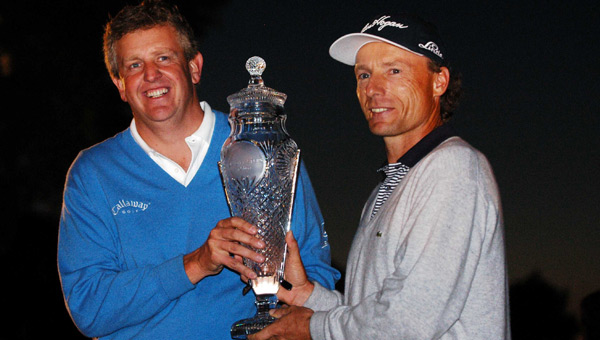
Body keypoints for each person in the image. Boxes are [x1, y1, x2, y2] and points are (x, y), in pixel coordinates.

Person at [57, 1, 339, 339]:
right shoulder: (93, 174)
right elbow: (89, 308)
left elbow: (314, 274)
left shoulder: (266, 150)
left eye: (164, 58)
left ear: (194, 68)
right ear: (119, 83)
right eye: (134, 65)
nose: (150, 75)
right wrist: (195, 263)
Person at [250, 13, 510, 339]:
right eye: (363, 75)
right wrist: (306, 295)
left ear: (438, 82)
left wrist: (310, 327)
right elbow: (375, 311)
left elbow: (410, 320)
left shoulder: (454, 168)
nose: (373, 89)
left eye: (394, 71)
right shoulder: (390, 187)